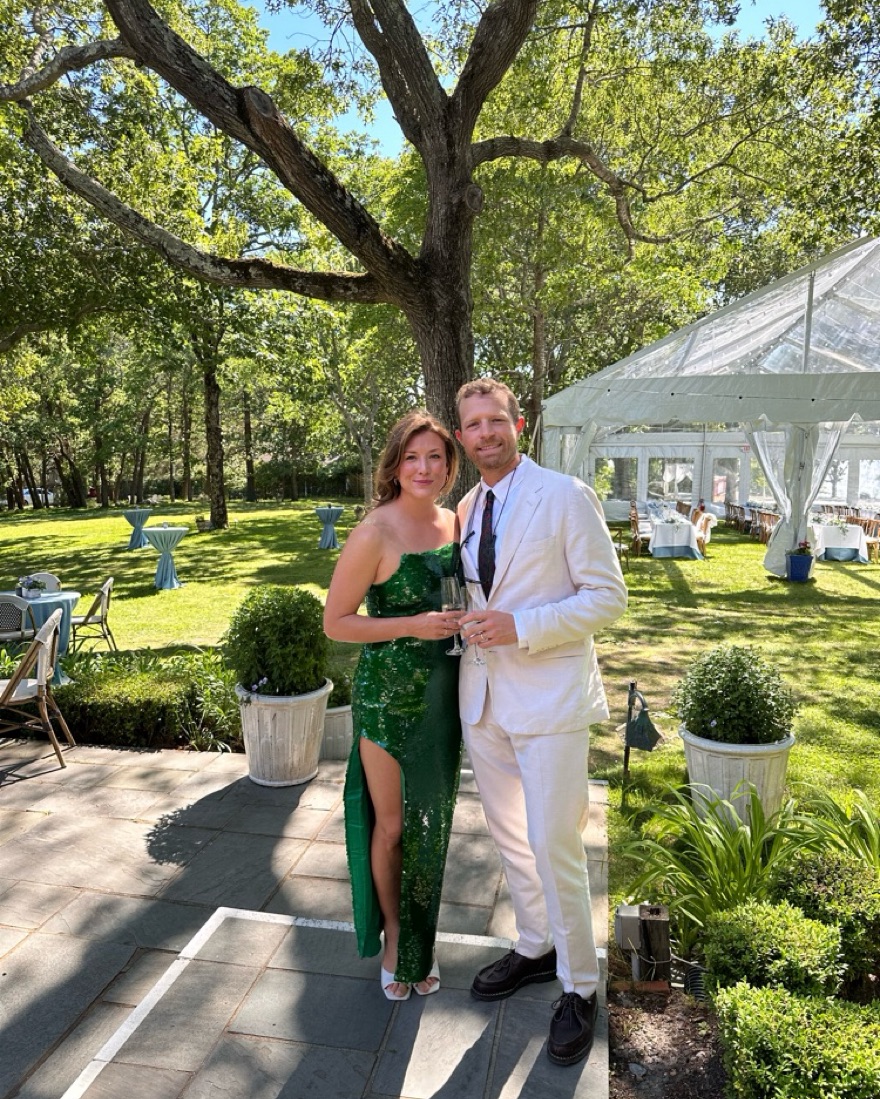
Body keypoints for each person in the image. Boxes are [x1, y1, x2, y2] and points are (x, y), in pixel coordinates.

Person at [454, 378, 627, 1066]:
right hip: (484, 698)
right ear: (462, 436)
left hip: (550, 701)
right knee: (509, 838)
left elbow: (607, 596)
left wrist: (520, 626)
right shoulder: (466, 507)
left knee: (554, 843)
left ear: (517, 424)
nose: (486, 433)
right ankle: (534, 945)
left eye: (496, 420)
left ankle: (580, 985)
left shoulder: (565, 495)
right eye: (474, 425)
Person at [323, 410, 463, 1001]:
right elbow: (336, 623)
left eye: (435, 457)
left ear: (449, 465)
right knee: (393, 827)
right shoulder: (374, 532)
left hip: (447, 698)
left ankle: (422, 942)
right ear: (395, 466)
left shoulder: (457, 521)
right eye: (412, 457)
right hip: (387, 699)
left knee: (433, 825)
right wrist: (412, 625)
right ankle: (396, 938)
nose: (424, 468)